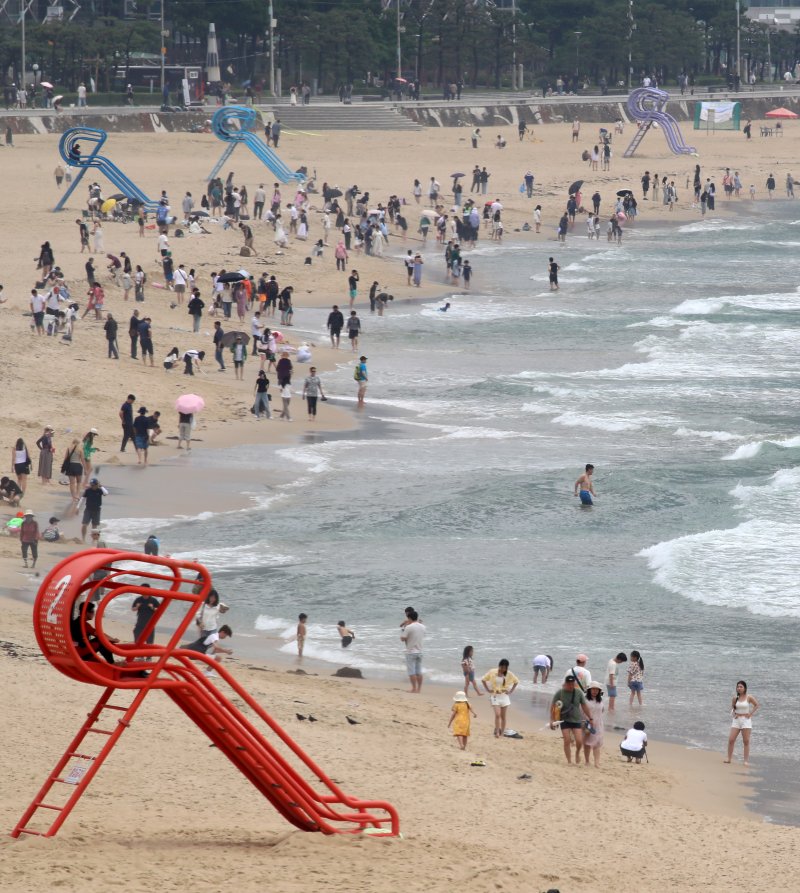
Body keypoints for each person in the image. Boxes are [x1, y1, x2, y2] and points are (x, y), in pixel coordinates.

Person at [550, 674, 595, 764]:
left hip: (576, 719)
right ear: (565, 683)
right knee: (566, 740)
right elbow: (553, 706)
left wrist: (590, 718)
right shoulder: (560, 693)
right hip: (564, 719)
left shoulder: (578, 693)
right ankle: (569, 761)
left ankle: (577, 753)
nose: (571, 686)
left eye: (572, 684)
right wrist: (552, 720)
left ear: (574, 683)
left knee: (579, 741)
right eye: (569, 684)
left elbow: (584, 706)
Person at [482, 659, 519, 738]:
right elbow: (483, 679)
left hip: (504, 696)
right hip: (495, 696)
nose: (503, 669)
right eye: (502, 667)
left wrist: (511, 691)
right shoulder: (492, 672)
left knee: (503, 716)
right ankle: (497, 732)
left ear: (507, 668)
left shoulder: (509, 674)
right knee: (497, 714)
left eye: (505, 668)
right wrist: (488, 690)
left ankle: (502, 733)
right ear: (499, 666)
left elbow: (516, 681)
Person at [725, 680, 759, 766]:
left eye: (741, 687)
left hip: (746, 720)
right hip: (736, 720)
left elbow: (757, 705)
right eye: (738, 687)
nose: (739, 688)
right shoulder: (735, 698)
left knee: (746, 741)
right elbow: (732, 707)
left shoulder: (749, 697)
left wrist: (750, 714)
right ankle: (729, 759)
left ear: (745, 688)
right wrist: (734, 714)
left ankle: (746, 761)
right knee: (731, 739)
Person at [400, 609, 425, 693]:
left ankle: (414, 688)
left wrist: (404, 631)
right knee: (419, 671)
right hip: (420, 651)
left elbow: (403, 638)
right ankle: (419, 689)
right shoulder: (423, 626)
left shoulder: (409, 627)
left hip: (411, 651)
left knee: (412, 672)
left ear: (409, 618)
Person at [582, 681, 605, 767]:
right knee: (587, 743)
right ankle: (587, 761)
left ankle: (597, 763)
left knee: (597, 744)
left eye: (597, 690)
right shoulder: (585, 700)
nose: (595, 691)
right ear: (589, 690)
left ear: (599, 691)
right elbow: (581, 712)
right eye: (593, 689)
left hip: (598, 725)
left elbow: (602, 711)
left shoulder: (600, 701)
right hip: (587, 724)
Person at [78, 477, 108, 542]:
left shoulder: (100, 490)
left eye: (94, 485)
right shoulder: (88, 490)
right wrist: (78, 508)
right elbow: (82, 499)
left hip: (97, 510)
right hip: (88, 509)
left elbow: (106, 493)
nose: (92, 486)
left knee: (94, 526)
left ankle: (93, 540)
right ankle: (83, 538)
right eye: (91, 485)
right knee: (84, 524)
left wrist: (101, 486)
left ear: (97, 484)